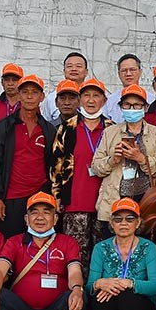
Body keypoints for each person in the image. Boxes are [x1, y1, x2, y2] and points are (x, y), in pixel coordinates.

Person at [85, 198, 156, 310]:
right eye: (118, 219)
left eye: (130, 219)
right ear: (111, 223)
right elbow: (89, 286)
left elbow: (155, 286)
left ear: (138, 222)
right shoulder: (101, 248)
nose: (123, 223)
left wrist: (129, 283)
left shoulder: (149, 247)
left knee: (127, 294)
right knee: (101, 294)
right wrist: (100, 283)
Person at [50, 78, 112, 273]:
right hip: (74, 203)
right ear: (80, 100)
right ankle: (78, 297)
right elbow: (56, 166)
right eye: (86, 95)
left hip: (105, 203)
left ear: (104, 100)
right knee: (77, 257)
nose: (91, 100)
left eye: (96, 95)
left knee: (104, 257)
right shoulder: (66, 128)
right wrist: (57, 196)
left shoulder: (113, 128)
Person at [0, 74, 55, 238]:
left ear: (42, 96)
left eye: (34, 92)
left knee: (39, 245)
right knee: (10, 245)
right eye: (25, 92)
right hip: (10, 200)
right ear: (18, 94)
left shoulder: (49, 130)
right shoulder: (3, 128)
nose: (29, 96)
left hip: (40, 200)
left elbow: (54, 167)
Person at [90, 85, 156, 233]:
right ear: (121, 107)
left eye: (136, 105)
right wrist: (113, 159)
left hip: (146, 201)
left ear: (145, 108)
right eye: (127, 105)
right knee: (113, 248)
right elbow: (96, 166)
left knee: (143, 248)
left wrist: (140, 158)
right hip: (115, 199)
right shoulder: (110, 132)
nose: (132, 108)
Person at [41, 52, 89, 123]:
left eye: (78, 66)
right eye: (69, 66)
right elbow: (47, 124)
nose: (74, 69)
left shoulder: (96, 98)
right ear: (64, 71)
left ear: (86, 72)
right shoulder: (51, 98)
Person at [103, 54, 144, 122]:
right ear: (119, 74)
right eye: (124, 70)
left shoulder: (151, 100)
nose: (128, 74)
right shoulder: (110, 101)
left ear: (140, 72)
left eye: (132, 70)